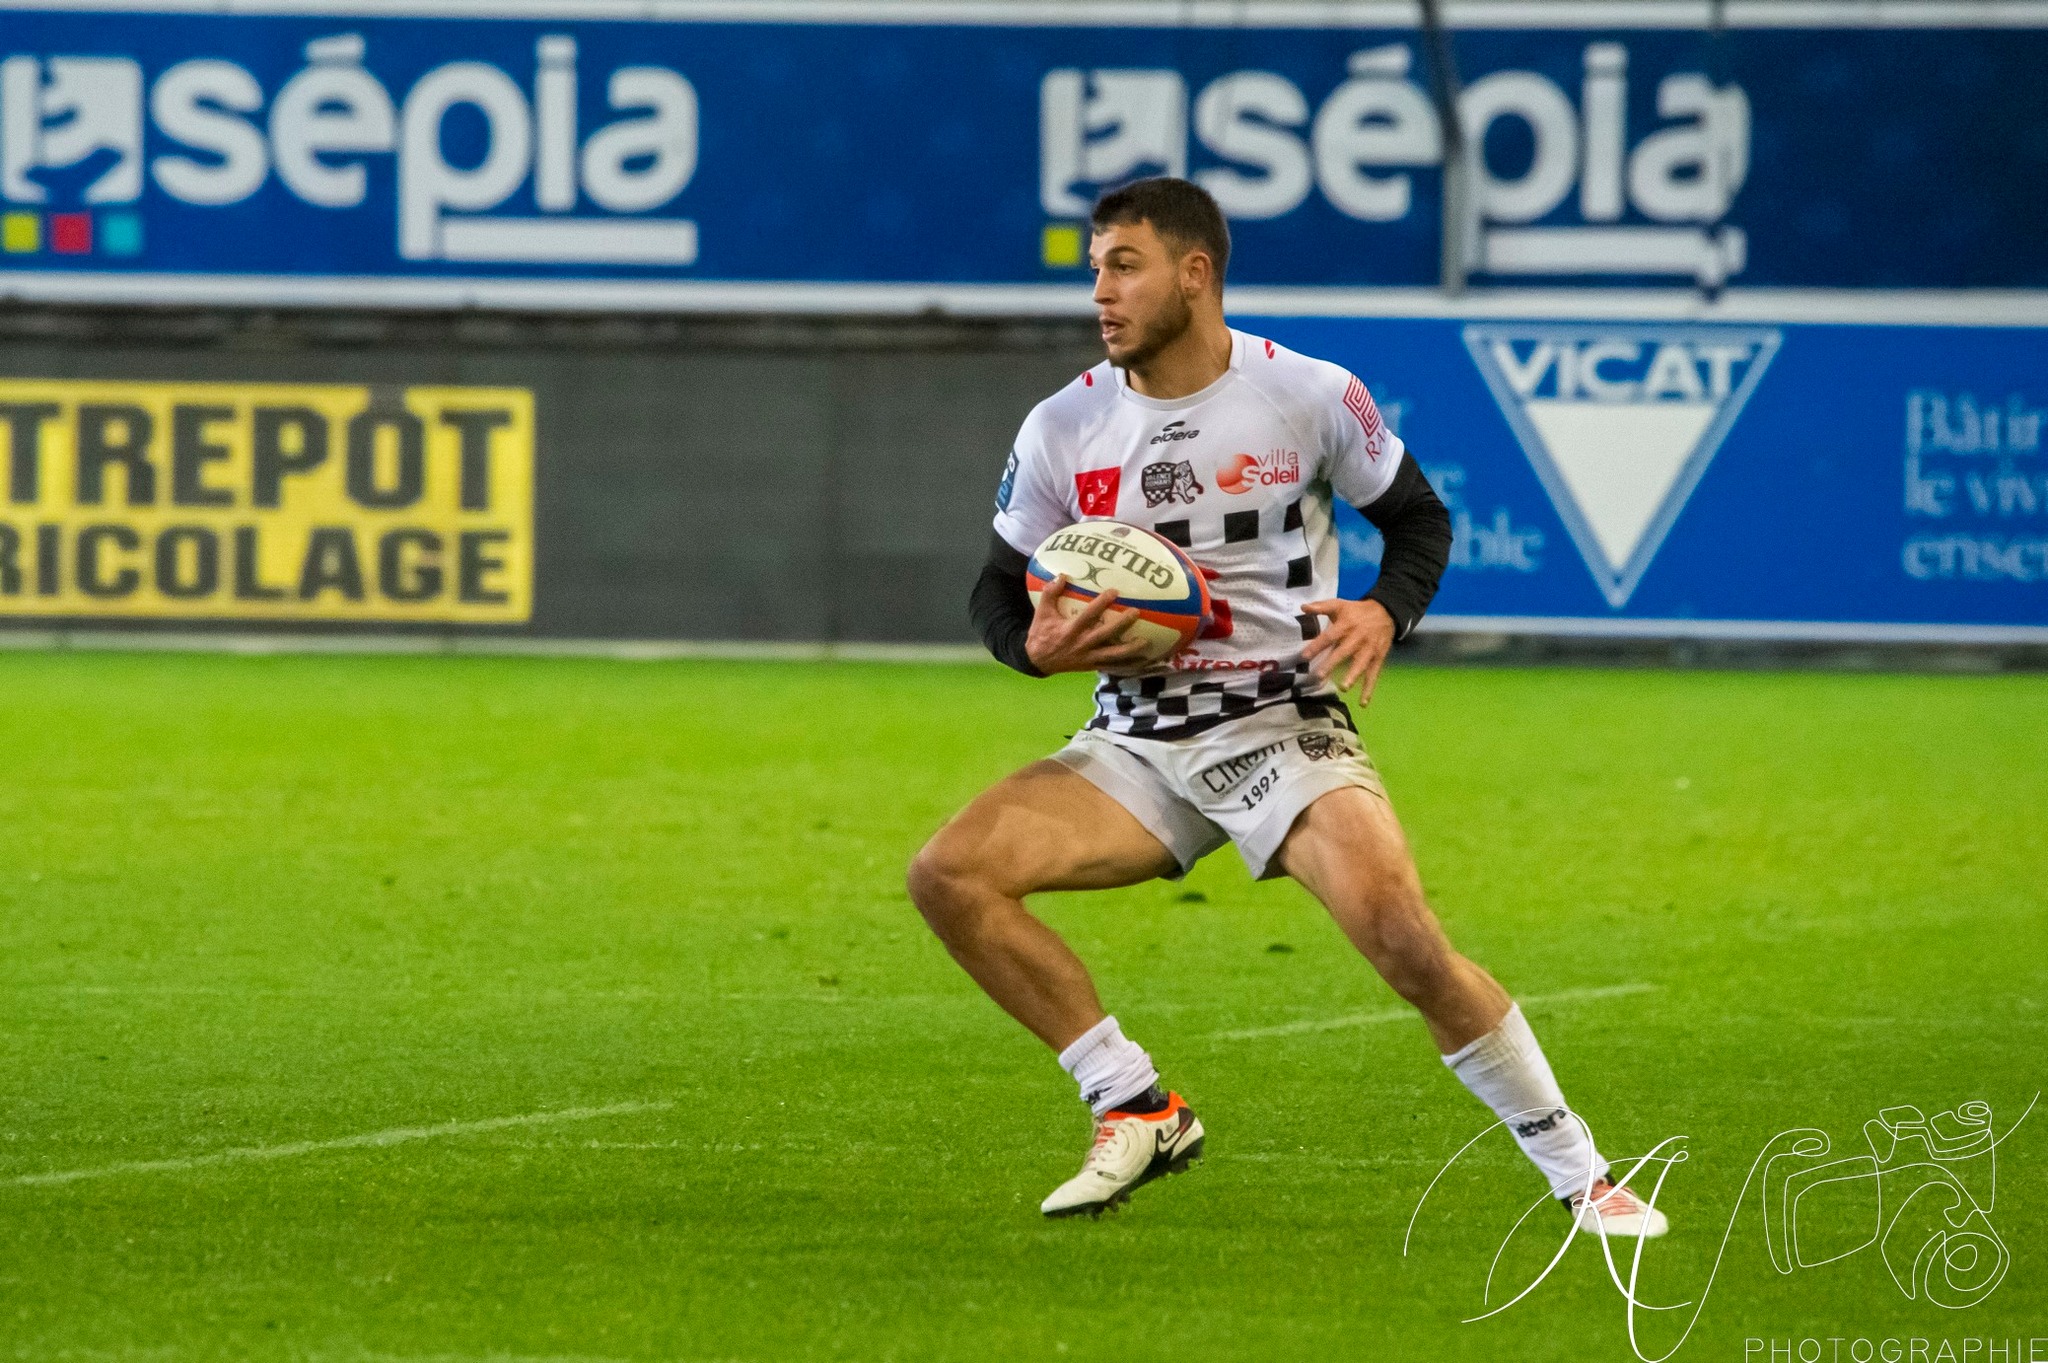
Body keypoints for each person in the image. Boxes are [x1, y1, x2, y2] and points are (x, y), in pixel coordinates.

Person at [906, 176, 1665, 1237]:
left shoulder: (1305, 394)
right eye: (1093, 270)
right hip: (1133, 740)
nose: (1100, 293)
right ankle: (1134, 1103)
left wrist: (1382, 616)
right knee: (948, 875)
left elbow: (1418, 521)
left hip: (1280, 723)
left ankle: (1582, 1176)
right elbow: (997, 589)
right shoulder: (1063, 424)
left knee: (1403, 941)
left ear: (1193, 273)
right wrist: (1027, 649)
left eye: (1122, 265)